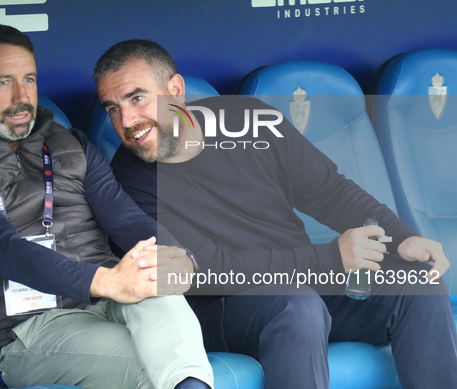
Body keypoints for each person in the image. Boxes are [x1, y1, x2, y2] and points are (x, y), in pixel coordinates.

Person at [94, 39, 457, 389]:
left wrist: (400, 236)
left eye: (137, 98)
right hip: (222, 305)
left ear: (175, 89)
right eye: (112, 108)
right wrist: (330, 258)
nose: (127, 120)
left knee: (418, 285)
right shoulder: (128, 176)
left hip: (303, 283)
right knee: (296, 307)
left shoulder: (249, 120)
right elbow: (203, 269)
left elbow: (329, 191)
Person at [0, 26, 215, 389]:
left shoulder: (69, 144)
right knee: (153, 369)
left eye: (28, 79)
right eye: (3, 82)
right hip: (36, 330)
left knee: (161, 298)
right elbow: (5, 250)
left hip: (113, 299)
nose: (21, 96)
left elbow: (125, 219)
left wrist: (175, 257)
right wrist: (106, 281)